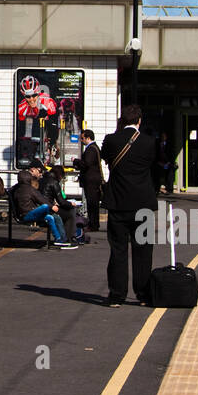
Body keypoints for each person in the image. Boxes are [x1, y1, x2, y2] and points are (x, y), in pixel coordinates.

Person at [102, 105, 156, 307]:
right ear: (139, 121)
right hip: (143, 203)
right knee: (143, 251)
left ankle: (117, 295)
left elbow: (106, 158)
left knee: (118, 250)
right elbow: (153, 165)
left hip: (118, 202)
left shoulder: (111, 140)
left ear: (121, 120)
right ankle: (143, 294)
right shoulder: (149, 142)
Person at [13, 165, 76, 246]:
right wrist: (52, 206)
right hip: (29, 213)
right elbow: (41, 200)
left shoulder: (18, 189)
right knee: (46, 207)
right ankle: (66, 238)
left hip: (23, 214)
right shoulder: (30, 189)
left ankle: (59, 239)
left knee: (51, 217)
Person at [71, 129, 104, 231]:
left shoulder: (91, 149)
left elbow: (87, 163)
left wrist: (76, 161)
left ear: (88, 138)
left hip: (91, 181)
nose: (81, 140)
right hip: (94, 179)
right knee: (92, 203)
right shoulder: (95, 148)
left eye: (82, 138)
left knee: (92, 203)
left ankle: (93, 225)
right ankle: (94, 223)